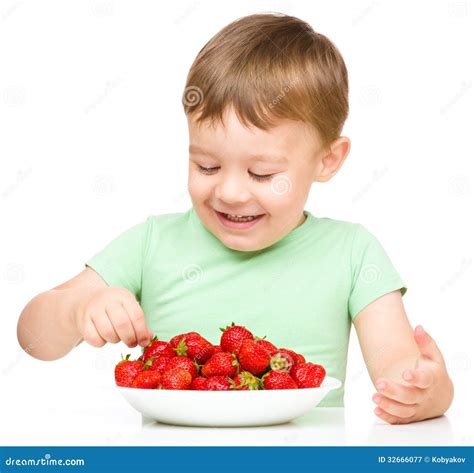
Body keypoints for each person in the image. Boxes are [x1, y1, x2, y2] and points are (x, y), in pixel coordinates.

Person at [17, 13, 453, 423]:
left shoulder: (352, 252)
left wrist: (424, 391)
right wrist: (77, 311)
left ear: (327, 160)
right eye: (206, 166)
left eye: (262, 173)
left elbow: (397, 364)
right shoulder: (151, 243)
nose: (228, 192)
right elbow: (32, 337)